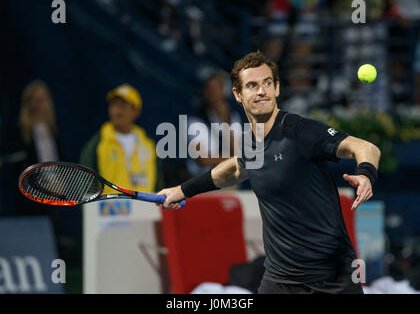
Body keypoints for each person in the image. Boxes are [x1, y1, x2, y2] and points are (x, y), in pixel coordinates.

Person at [156, 51, 381, 294]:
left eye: (267, 83)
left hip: (331, 277)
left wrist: (366, 173)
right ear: (238, 94)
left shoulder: (301, 131)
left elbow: (365, 147)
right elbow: (232, 170)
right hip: (280, 279)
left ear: (277, 88)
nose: (261, 91)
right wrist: (182, 190)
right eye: (252, 85)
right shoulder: (250, 143)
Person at [80, 83, 163, 194]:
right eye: (114, 105)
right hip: (110, 209)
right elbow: (86, 184)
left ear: (136, 111)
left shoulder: (148, 144)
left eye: (123, 106)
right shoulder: (98, 143)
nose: (116, 112)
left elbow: (158, 183)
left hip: (145, 209)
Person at [2, 80, 65, 217]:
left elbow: (61, 160)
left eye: (42, 100)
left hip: (54, 196)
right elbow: (18, 166)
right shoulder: (19, 132)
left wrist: (59, 184)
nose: (39, 105)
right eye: (35, 101)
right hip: (29, 199)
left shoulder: (54, 131)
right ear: (28, 103)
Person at [186, 71, 242, 177]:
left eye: (216, 89)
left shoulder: (233, 116)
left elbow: (238, 153)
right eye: (209, 89)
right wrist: (232, 158)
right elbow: (203, 160)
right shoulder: (195, 119)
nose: (213, 93)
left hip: (227, 178)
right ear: (204, 92)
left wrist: (225, 122)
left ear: (224, 91)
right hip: (201, 179)